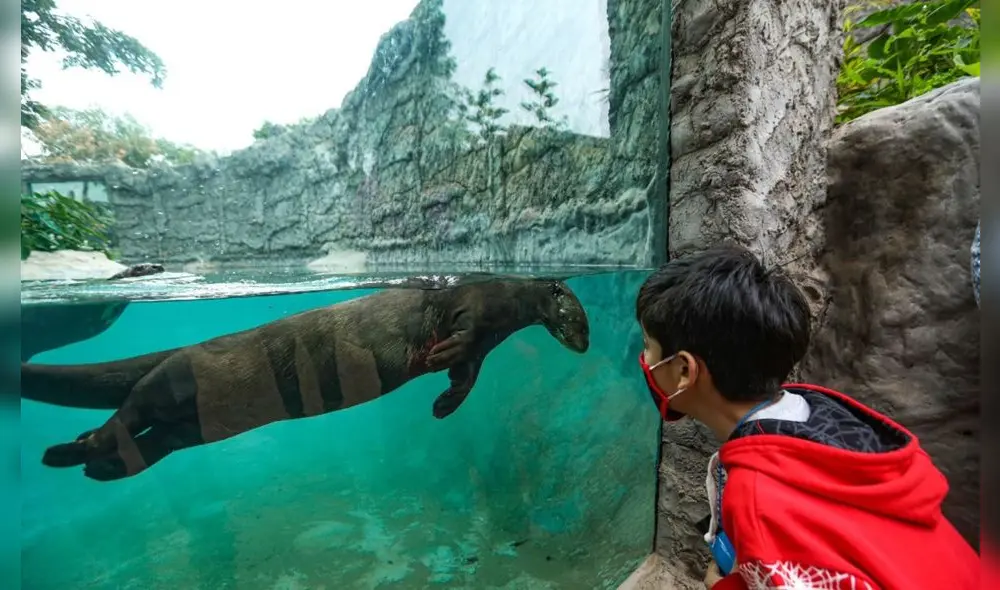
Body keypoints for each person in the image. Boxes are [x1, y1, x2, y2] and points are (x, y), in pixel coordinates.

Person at [635, 245, 979, 589]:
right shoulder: (824, 418)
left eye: (648, 345)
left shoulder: (758, 500)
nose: (645, 358)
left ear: (683, 370)